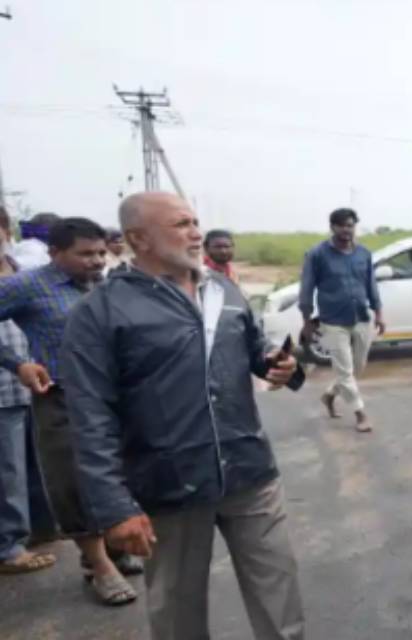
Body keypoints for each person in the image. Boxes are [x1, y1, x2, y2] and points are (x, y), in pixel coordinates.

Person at [62, 192, 306, 640]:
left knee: (280, 596)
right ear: (139, 238)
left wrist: (280, 364)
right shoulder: (99, 313)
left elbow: (254, 352)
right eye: (181, 224)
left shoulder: (225, 290)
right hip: (169, 487)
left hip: (250, 473)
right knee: (178, 612)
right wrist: (115, 506)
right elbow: (89, 417)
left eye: (196, 221)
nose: (196, 233)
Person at [0, 217, 140, 606]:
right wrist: (17, 364)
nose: (96, 261)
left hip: (113, 396)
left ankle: (113, 547)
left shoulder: (110, 282)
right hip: (62, 397)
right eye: (85, 254)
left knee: (115, 473)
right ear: (55, 253)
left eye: (100, 252)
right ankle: (98, 565)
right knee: (72, 482)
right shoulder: (29, 285)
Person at [0, 207, 56, 575]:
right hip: (5, 385)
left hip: (32, 382)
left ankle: (40, 529)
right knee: (8, 471)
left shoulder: (17, 267)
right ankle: (9, 547)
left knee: (36, 462)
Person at [299, 208, 385, 433]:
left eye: (350, 225)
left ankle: (329, 395)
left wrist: (379, 312)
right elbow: (306, 288)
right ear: (332, 227)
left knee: (357, 368)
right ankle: (360, 415)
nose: (347, 230)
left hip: (361, 317)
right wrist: (307, 320)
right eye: (342, 225)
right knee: (345, 372)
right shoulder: (317, 254)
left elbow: (371, 285)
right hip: (333, 320)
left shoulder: (364, 254)